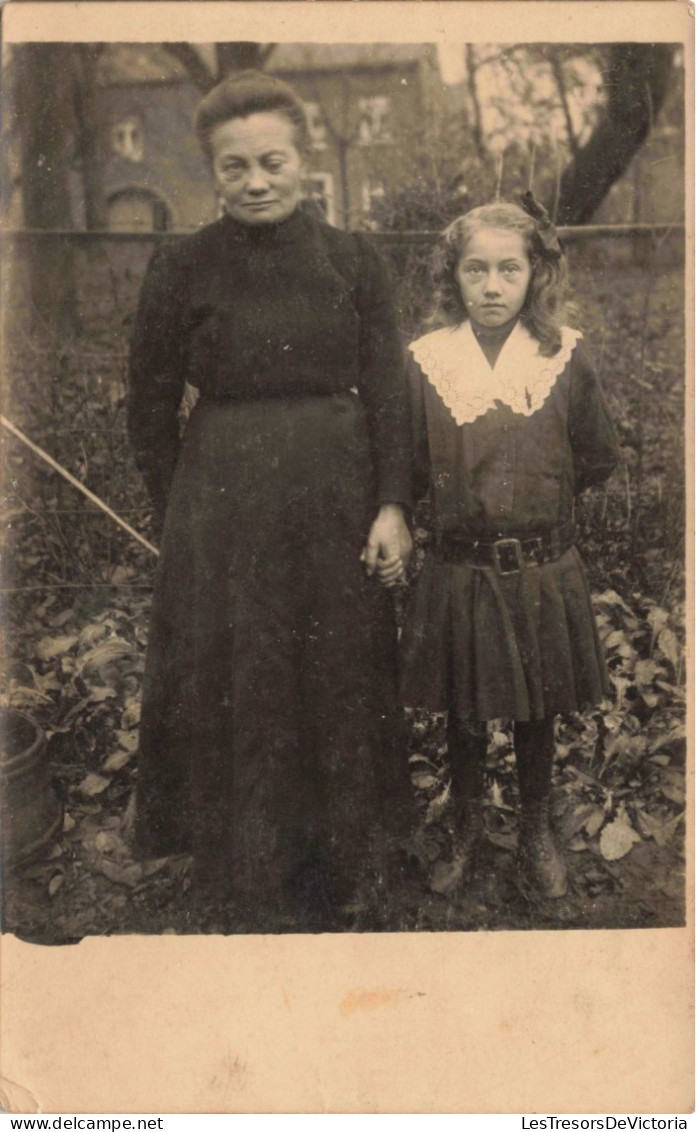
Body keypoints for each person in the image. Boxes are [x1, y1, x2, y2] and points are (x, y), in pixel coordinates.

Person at [127, 71, 414, 930]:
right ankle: (242, 866)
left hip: (336, 499)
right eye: (235, 167)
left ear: (304, 160)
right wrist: (177, 511)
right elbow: (146, 405)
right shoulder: (181, 266)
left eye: (272, 161)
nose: (256, 182)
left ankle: (340, 861)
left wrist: (392, 504)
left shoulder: (354, 259)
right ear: (213, 173)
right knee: (238, 676)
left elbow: (390, 394)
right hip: (222, 510)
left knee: (333, 672)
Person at [395, 195, 619, 900]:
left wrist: (533, 506)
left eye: (508, 270)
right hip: (460, 564)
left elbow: (595, 455)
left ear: (533, 276)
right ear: (452, 277)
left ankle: (532, 829)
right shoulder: (428, 361)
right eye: (475, 270)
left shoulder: (560, 357)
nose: (491, 286)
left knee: (534, 707)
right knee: (464, 707)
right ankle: (463, 823)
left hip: (538, 565)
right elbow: (403, 458)